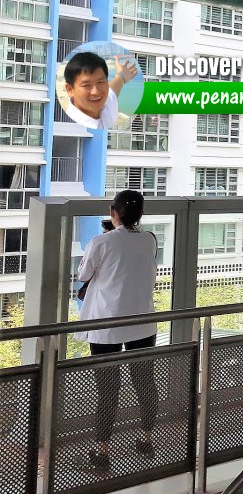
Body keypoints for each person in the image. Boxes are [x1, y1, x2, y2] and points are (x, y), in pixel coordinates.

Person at [77, 190, 160, 470]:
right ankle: (146, 438)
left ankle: (101, 452)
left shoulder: (100, 242)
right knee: (145, 383)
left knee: (108, 389)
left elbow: (82, 275)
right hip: (142, 324)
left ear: (114, 211)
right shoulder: (150, 240)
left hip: (106, 326)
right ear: (141, 215)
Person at [62, 51, 137, 129]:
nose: (96, 92)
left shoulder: (106, 103)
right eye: (86, 85)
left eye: (100, 82)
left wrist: (121, 76)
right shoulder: (72, 125)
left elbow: (113, 89)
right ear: (70, 89)